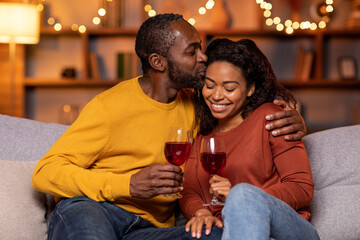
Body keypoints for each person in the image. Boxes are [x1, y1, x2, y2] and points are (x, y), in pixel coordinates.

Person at [32, 14, 306, 240]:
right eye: (192, 51)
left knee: (219, 234)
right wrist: (127, 184)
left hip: (149, 231)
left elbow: (240, 103)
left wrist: (293, 116)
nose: (203, 58)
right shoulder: (109, 106)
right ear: (158, 62)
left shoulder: (198, 105)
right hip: (96, 209)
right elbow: (44, 173)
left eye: (200, 48)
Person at [180, 38, 320, 240]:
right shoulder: (203, 135)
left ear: (250, 88)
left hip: (289, 229)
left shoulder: (271, 118)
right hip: (229, 230)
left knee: (242, 195)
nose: (217, 96)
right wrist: (200, 212)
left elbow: (301, 188)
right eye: (210, 86)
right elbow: (189, 191)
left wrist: (241, 197)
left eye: (229, 88)